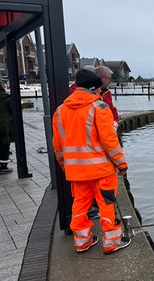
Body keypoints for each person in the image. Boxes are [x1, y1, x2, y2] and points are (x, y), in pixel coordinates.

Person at [52, 68, 131, 254]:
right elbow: (110, 142)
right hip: (101, 169)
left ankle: (82, 241)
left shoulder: (60, 111)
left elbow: (57, 145)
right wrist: (121, 164)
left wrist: (65, 166)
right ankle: (112, 242)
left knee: (80, 204)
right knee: (106, 204)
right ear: (94, 88)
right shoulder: (99, 108)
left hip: (76, 171)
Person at [94, 66, 120, 130]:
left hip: (107, 129)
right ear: (103, 78)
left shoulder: (107, 92)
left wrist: (115, 122)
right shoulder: (90, 92)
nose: (110, 81)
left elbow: (112, 109)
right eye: (109, 78)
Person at [0, 81, 13, 172]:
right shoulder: (6, 98)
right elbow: (13, 110)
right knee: (4, 144)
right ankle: (4, 166)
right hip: (4, 125)